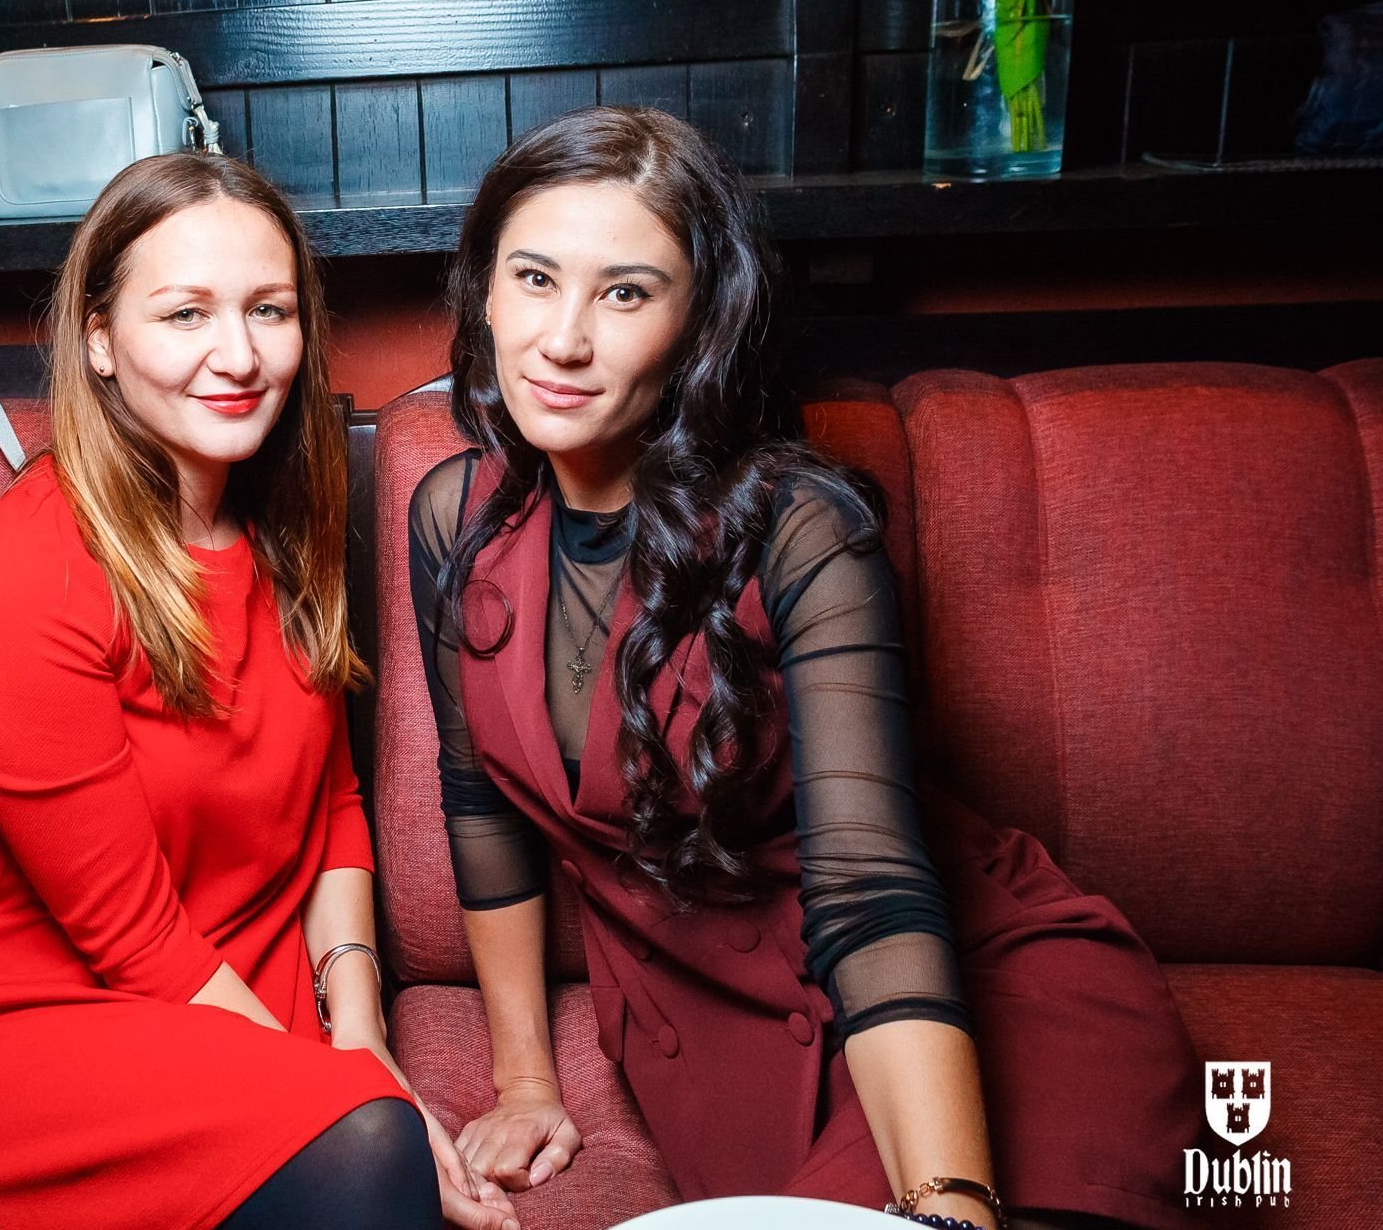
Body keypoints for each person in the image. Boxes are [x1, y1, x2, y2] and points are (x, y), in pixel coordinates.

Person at [408, 106, 1205, 1230]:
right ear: (485, 291)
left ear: (699, 325)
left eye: (625, 293)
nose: (563, 339)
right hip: (713, 1035)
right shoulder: (456, 518)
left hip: (963, 1001)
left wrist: (950, 1205)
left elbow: (872, 894)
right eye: (535, 279)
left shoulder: (802, 526)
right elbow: (480, 801)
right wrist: (527, 1080)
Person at [0, 152, 520, 1230]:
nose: (237, 355)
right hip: (11, 1016)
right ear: (100, 340)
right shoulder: (31, 570)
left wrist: (364, 1039)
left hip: (228, 979)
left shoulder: (284, 524)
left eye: (268, 310)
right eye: (185, 312)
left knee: (365, 1138)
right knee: (369, 1156)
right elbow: (136, 942)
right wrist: (345, 1099)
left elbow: (333, 804)